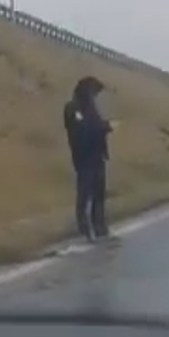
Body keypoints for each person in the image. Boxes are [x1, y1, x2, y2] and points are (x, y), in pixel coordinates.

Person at [63, 76, 113, 242]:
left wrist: (105, 127)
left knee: (99, 194)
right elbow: (83, 130)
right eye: (94, 92)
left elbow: (94, 127)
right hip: (83, 158)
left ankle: (100, 227)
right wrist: (103, 127)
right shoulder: (72, 108)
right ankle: (84, 229)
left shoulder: (91, 109)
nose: (95, 96)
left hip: (97, 156)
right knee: (84, 194)